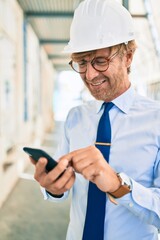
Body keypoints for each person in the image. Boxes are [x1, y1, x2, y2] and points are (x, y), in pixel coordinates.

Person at [31, 0, 160, 239]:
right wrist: (53, 187)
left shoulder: (157, 120)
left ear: (128, 57)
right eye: (81, 63)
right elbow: (63, 190)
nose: (90, 75)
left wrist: (118, 185)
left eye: (100, 61)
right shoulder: (75, 118)